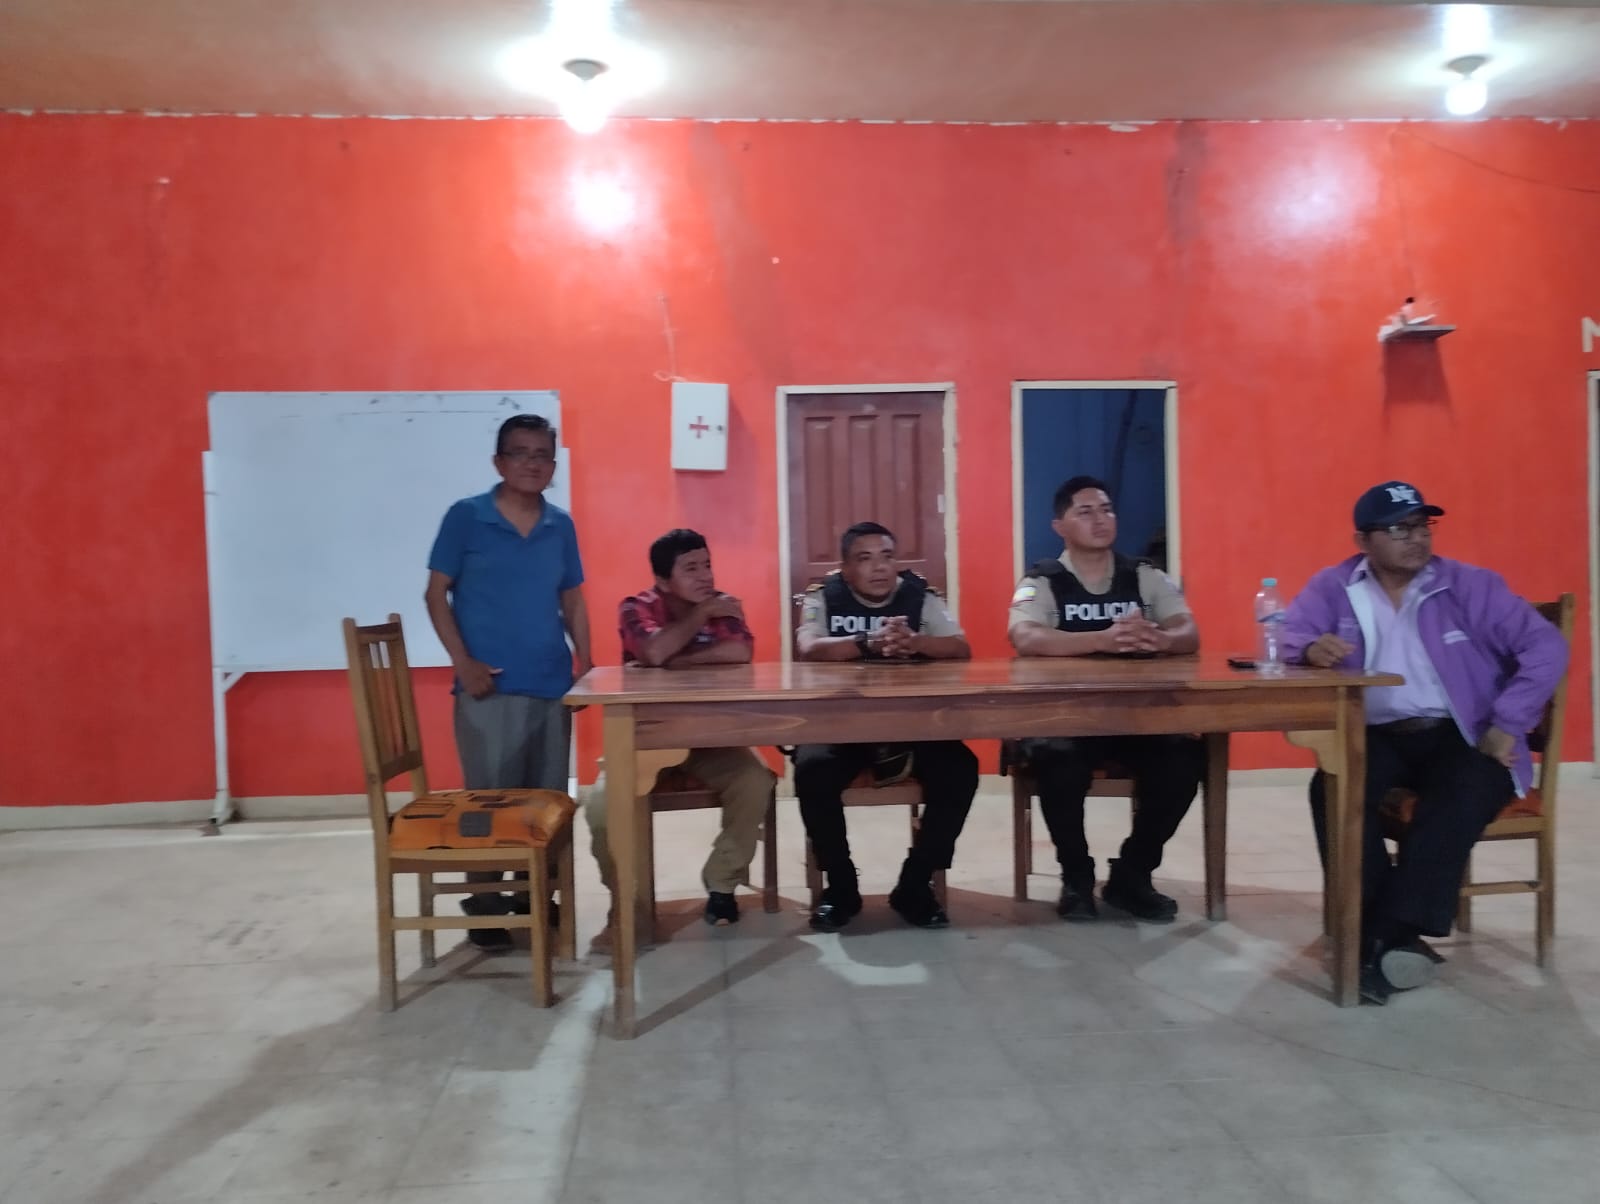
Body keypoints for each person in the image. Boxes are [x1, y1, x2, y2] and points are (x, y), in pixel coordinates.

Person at [1282, 480, 1567, 1003]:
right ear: (1363, 541)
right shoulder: (1335, 586)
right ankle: (1391, 936)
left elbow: (1547, 647)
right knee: (1332, 789)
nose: (1416, 538)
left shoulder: (1469, 586)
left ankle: (1379, 933)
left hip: (1461, 733)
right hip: (1374, 734)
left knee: (1460, 794)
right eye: (1399, 529)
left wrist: (1509, 722)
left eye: (1421, 526)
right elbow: (1286, 636)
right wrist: (1307, 648)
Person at [424, 413, 591, 952]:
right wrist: (463, 663)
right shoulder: (467, 517)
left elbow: (572, 598)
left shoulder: (559, 525)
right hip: (488, 688)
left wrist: (585, 661)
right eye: (520, 453)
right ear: (499, 462)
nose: (531, 464)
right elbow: (436, 594)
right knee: (489, 806)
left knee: (546, 802)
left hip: (550, 683)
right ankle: (486, 906)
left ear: (553, 465)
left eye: (542, 455)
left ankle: (535, 895)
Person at [1007, 475, 1204, 923]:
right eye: (1086, 512)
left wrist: (1160, 639)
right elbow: (1025, 636)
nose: (1101, 519)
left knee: (1184, 759)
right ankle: (1076, 876)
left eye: (1107, 509)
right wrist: (1102, 640)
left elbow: (1188, 631)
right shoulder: (1042, 580)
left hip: (1138, 718)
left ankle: (1132, 875)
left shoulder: (1144, 575)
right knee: (1057, 761)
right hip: (1068, 718)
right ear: (1060, 526)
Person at [792, 521, 979, 932]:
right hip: (842, 726)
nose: (880, 567)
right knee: (811, 770)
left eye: (887, 557)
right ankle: (841, 886)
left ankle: (914, 884)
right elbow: (808, 647)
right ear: (845, 568)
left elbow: (959, 647)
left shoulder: (920, 596)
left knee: (961, 770)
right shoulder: (824, 596)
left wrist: (916, 642)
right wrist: (866, 643)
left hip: (912, 727)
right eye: (865, 558)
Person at [586, 529, 776, 928]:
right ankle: (626, 894)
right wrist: (699, 618)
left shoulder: (722, 604)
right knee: (602, 806)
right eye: (691, 568)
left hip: (710, 738)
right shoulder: (636, 607)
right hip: (644, 740)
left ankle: (722, 883)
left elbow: (739, 652)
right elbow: (654, 649)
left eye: (707, 565)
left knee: (755, 782)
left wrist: (677, 660)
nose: (705, 575)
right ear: (662, 579)